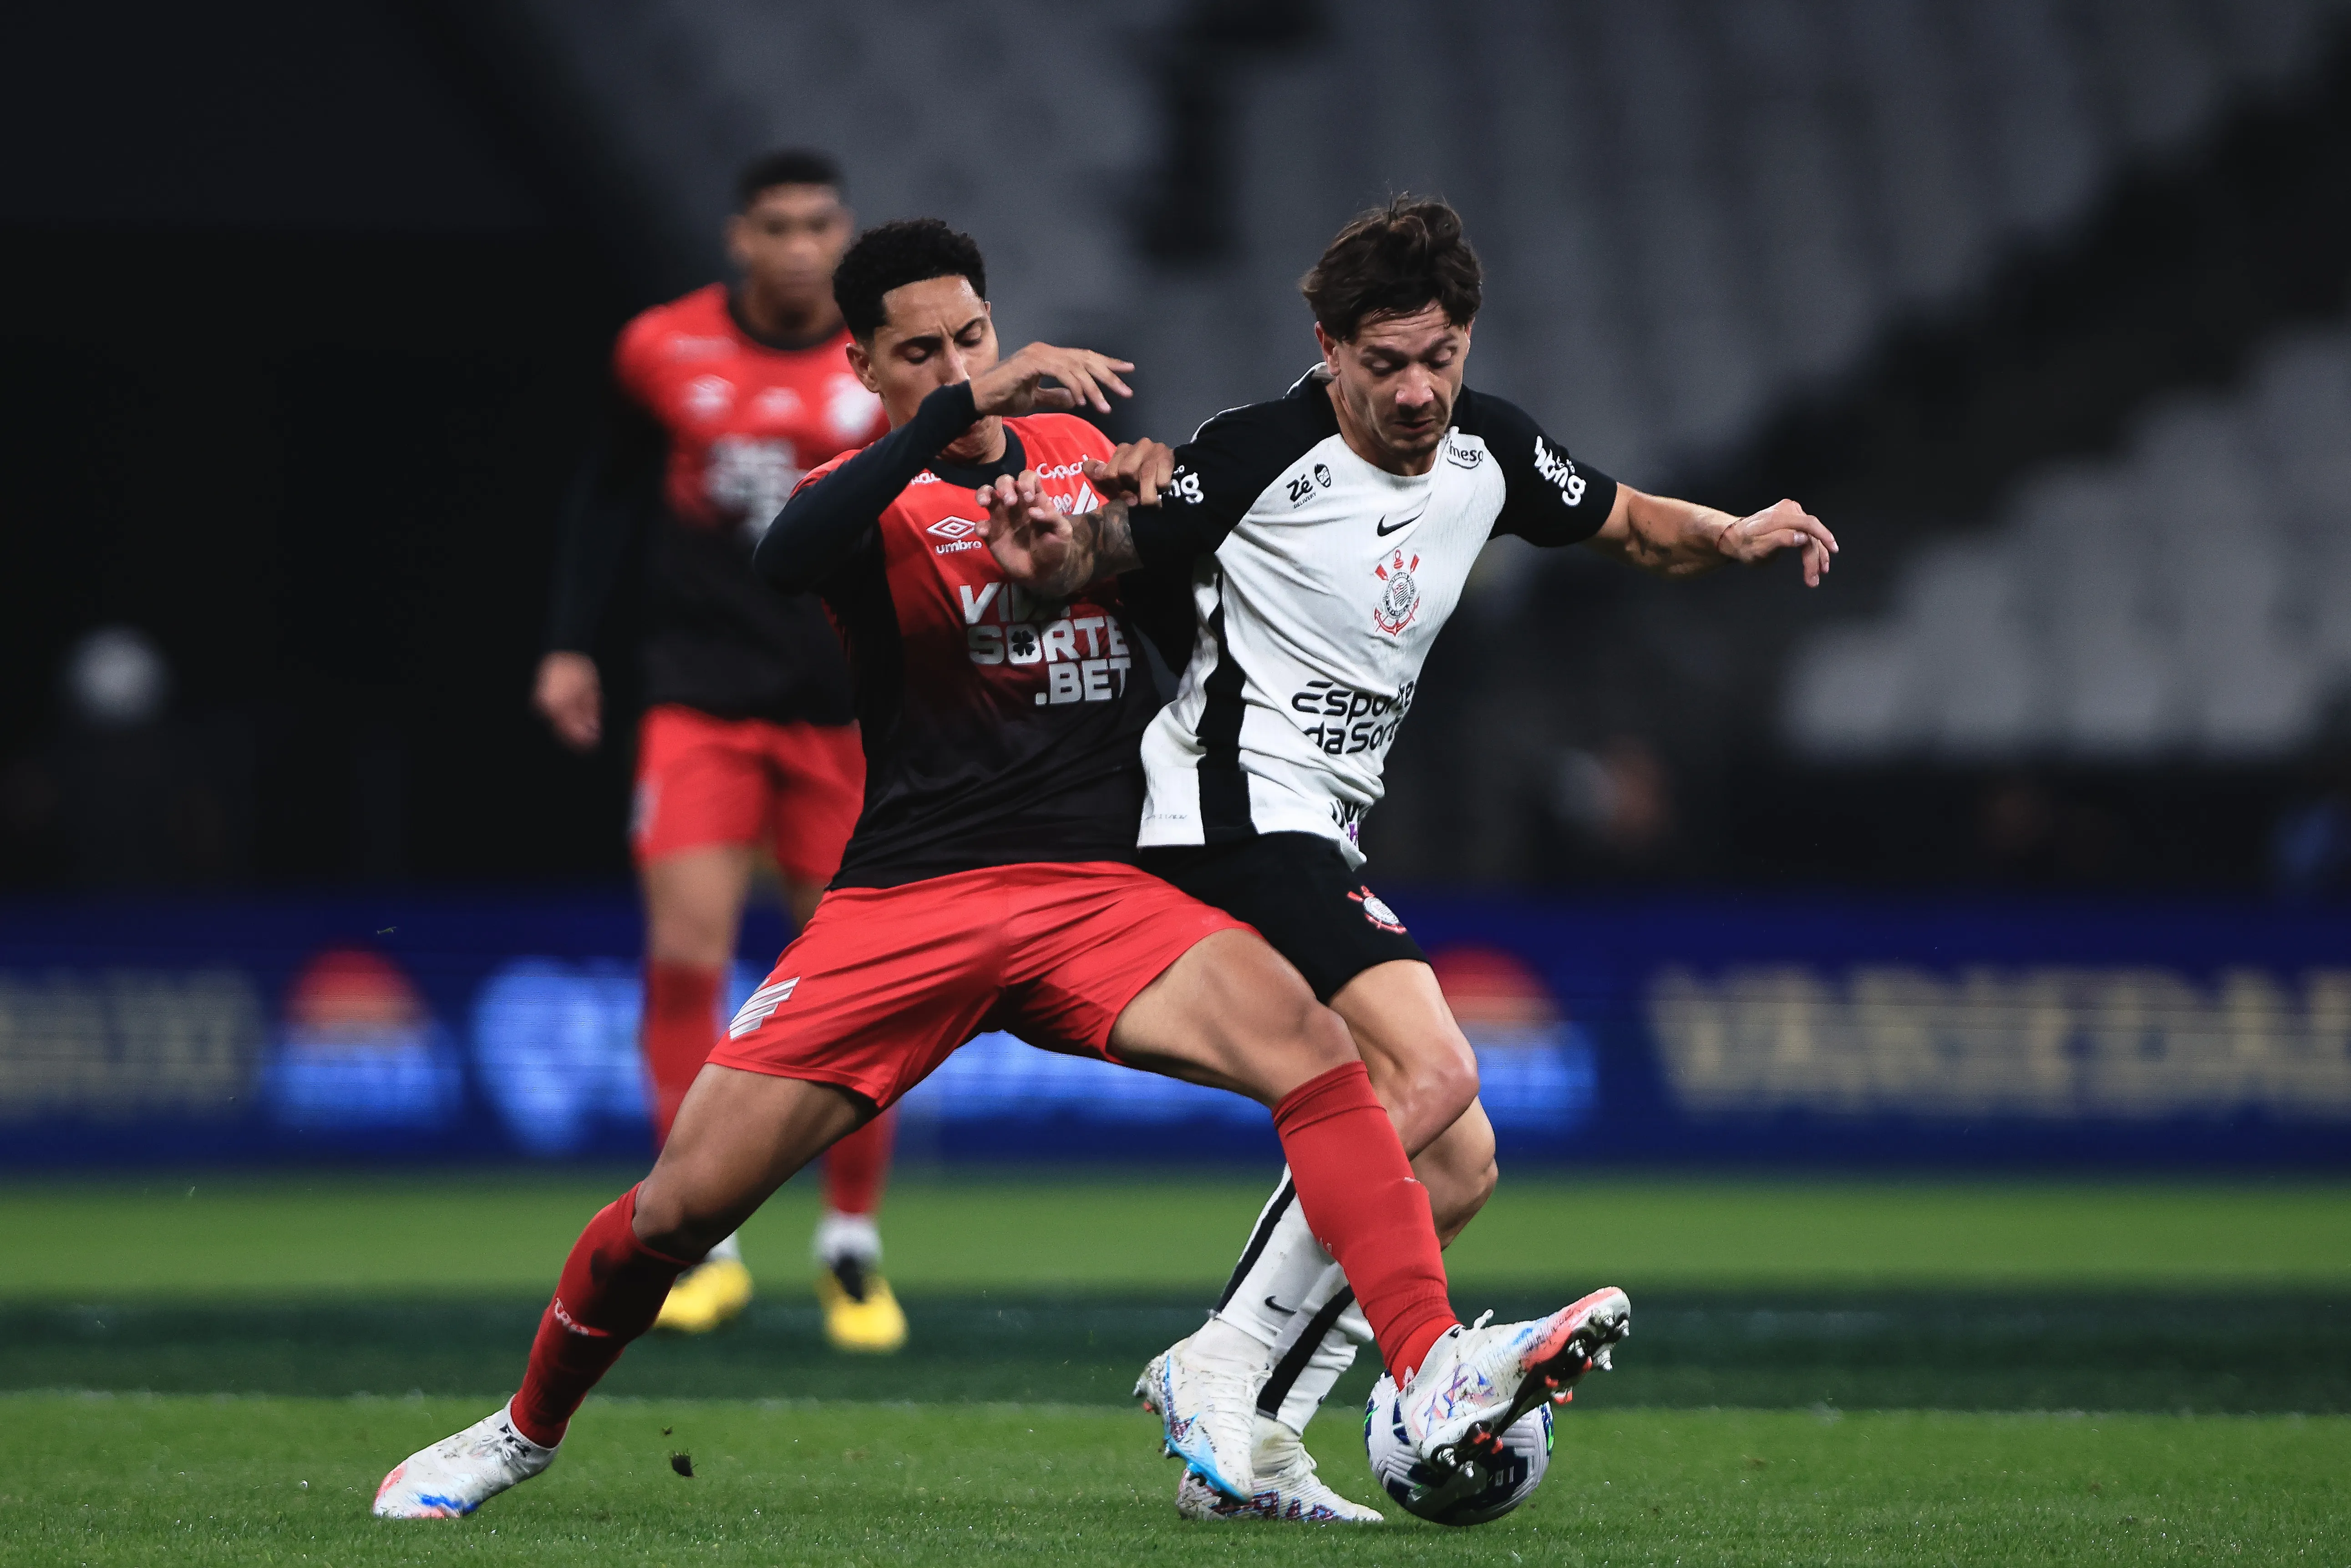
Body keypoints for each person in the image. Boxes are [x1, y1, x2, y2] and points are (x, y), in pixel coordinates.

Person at [375, 218, 1628, 1523]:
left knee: (1325, 1058)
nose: (956, 364)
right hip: (910, 902)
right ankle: (518, 1432)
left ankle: (1418, 1370)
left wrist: (1152, 524)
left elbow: (1183, 629)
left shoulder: (1081, 462)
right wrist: (952, 417)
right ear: (864, 366)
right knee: (676, 1211)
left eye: (970, 336)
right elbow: (782, 558)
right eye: (918, 353)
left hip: (1098, 892)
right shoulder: (869, 491)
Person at [975, 196, 1834, 1522]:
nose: (1419, 389)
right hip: (1230, 812)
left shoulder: (1488, 448)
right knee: (1430, 1068)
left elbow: (1624, 521)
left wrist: (1727, 533)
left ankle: (1253, 1435)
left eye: (1439, 357)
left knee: (1459, 1160)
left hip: (1321, 820)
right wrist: (1053, 549)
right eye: (1385, 363)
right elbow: (1109, 544)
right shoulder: (1256, 452)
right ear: (1326, 348)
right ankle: (1232, 1358)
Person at [534, 149, 904, 1348]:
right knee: (685, 955)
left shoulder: (883, 362)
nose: (800, 246)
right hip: (697, 696)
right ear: (739, 237)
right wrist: (569, 645)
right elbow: (605, 492)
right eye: (777, 225)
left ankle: (850, 1243)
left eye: (819, 224)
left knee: (859, 982)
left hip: (839, 709)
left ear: (840, 234)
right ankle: (699, 1234)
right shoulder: (659, 349)